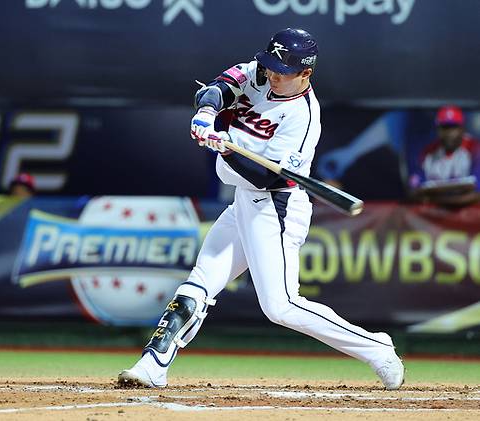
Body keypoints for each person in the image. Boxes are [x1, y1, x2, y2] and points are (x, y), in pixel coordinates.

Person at [118, 28, 404, 390]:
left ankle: (377, 348)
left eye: (282, 71)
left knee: (281, 306)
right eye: (270, 65)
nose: (271, 74)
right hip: (243, 201)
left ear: (305, 74)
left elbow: (266, 178)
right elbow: (217, 87)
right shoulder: (258, 71)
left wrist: (224, 147)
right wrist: (206, 113)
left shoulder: (303, 118)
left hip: (277, 207)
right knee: (201, 281)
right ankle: (153, 365)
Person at [409, 105, 480, 207]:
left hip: (467, 218)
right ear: (438, 130)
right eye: (444, 127)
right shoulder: (427, 153)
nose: (449, 133)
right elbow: (414, 191)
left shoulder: (475, 149)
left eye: (453, 127)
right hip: (434, 218)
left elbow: (477, 194)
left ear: (462, 129)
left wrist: (434, 199)